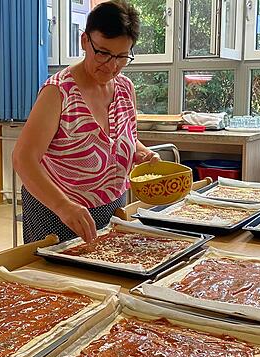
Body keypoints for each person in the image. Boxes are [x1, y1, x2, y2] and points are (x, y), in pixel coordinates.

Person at [12, 0, 159, 244]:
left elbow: (124, 137)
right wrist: (63, 206)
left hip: (113, 205)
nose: (112, 66)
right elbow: (23, 158)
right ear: (84, 41)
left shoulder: (125, 88)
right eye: (103, 53)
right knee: (60, 280)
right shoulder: (58, 91)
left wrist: (141, 153)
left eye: (122, 56)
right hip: (57, 212)